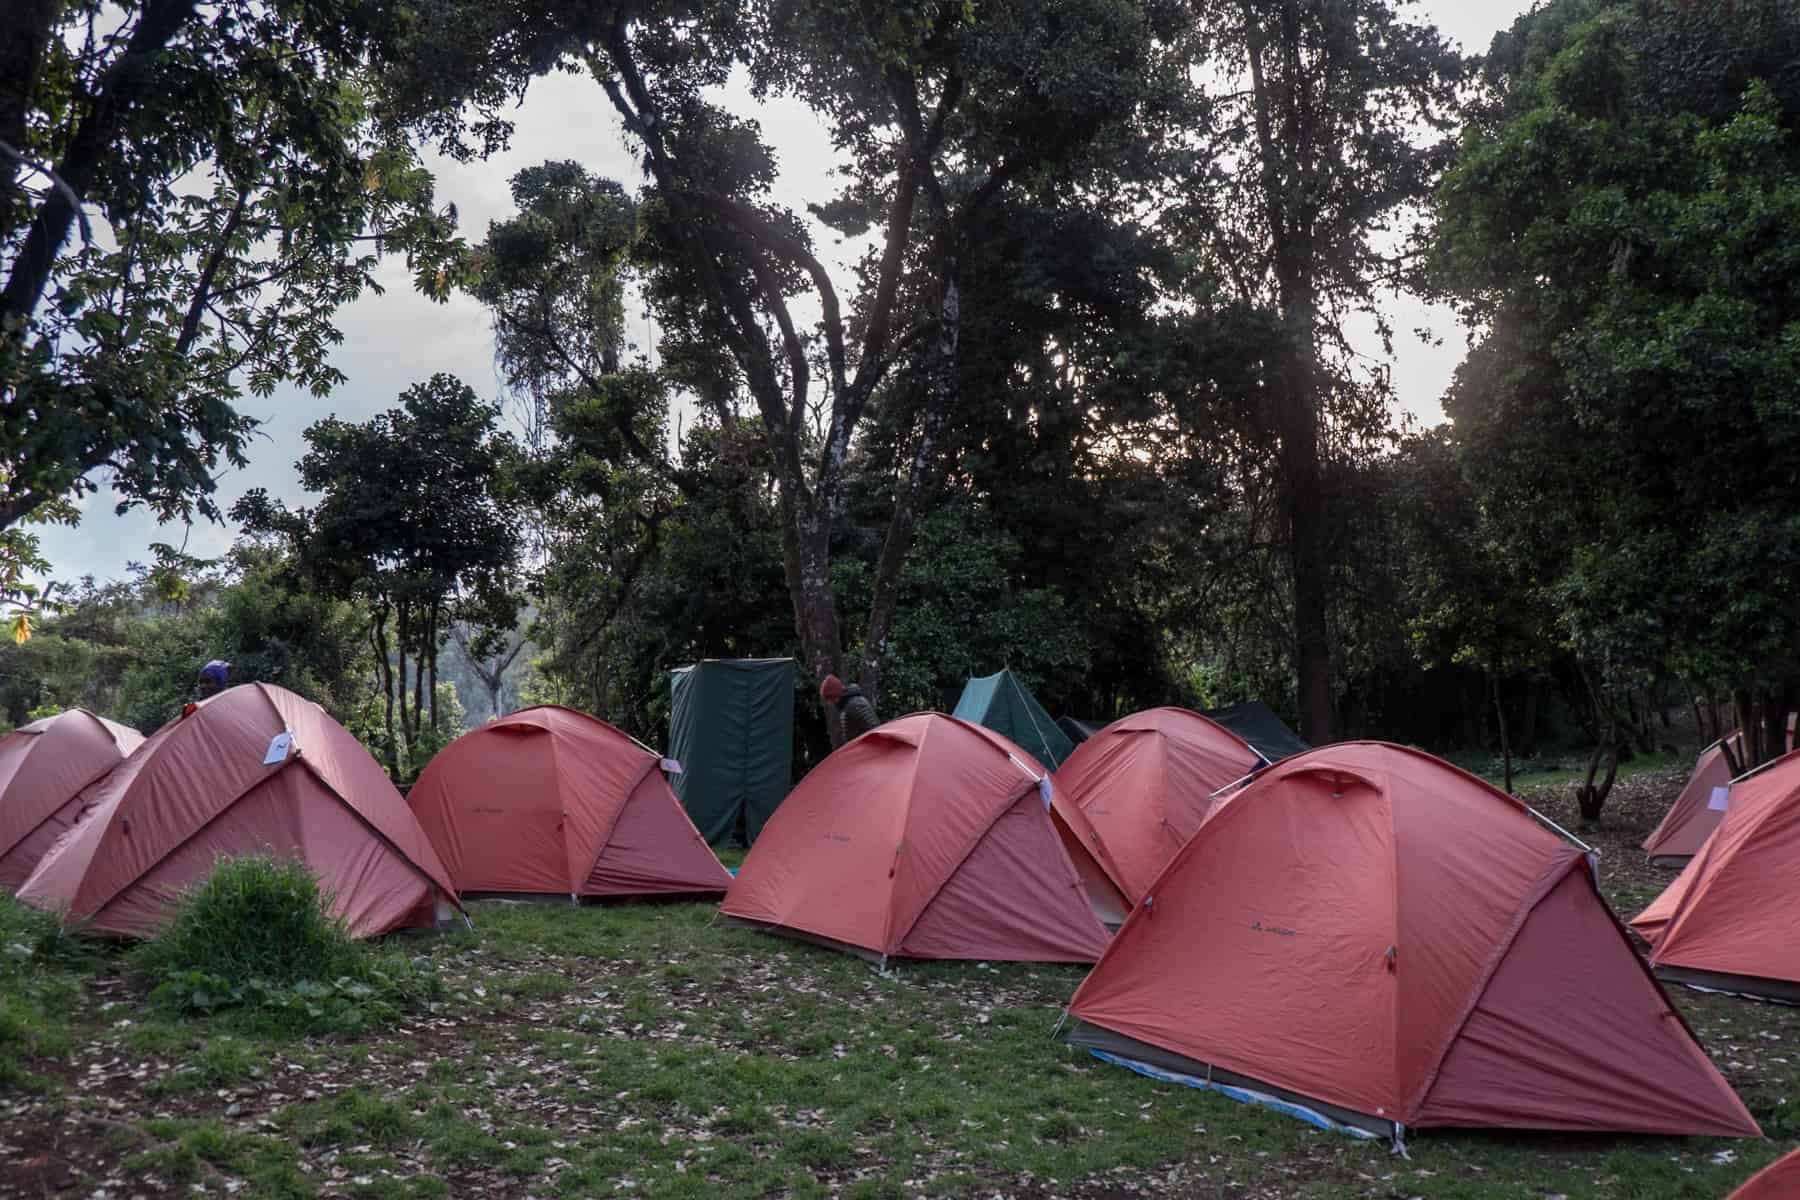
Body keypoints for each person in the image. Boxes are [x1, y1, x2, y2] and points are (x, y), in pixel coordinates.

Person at [820, 673, 879, 744]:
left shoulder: (853, 704)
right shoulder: (846, 704)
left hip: (867, 746)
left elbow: (873, 727)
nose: (830, 702)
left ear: (835, 694)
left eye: (830, 698)